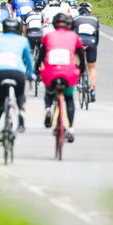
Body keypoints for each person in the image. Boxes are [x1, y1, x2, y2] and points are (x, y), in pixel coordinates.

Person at [39, 12, 86, 143]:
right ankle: (70, 130)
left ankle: (48, 109)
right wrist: (81, 69)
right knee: (69, 98)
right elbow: (81, 54)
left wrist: (37, 68)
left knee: (49, 90)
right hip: (68, 72)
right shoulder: (74, 36)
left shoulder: (48, 36)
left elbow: (41, 55)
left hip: (51, 71)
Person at [0, 17, 33, 139]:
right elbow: (29, 60)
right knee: (19, 94)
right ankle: (22, 111)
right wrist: (31, 74)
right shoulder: (23, 40)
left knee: (0, 100)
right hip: (17, 72)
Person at [74, 3, 99, 102]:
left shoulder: (76, 18)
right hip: (92, 42)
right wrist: (94, 47)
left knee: (74, 61)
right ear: (90, 11)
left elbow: (72, 34)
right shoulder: (95, 19)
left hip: (79, 41)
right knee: (92, 67)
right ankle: (93, 90)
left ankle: (76, 79)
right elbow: (97, 36)